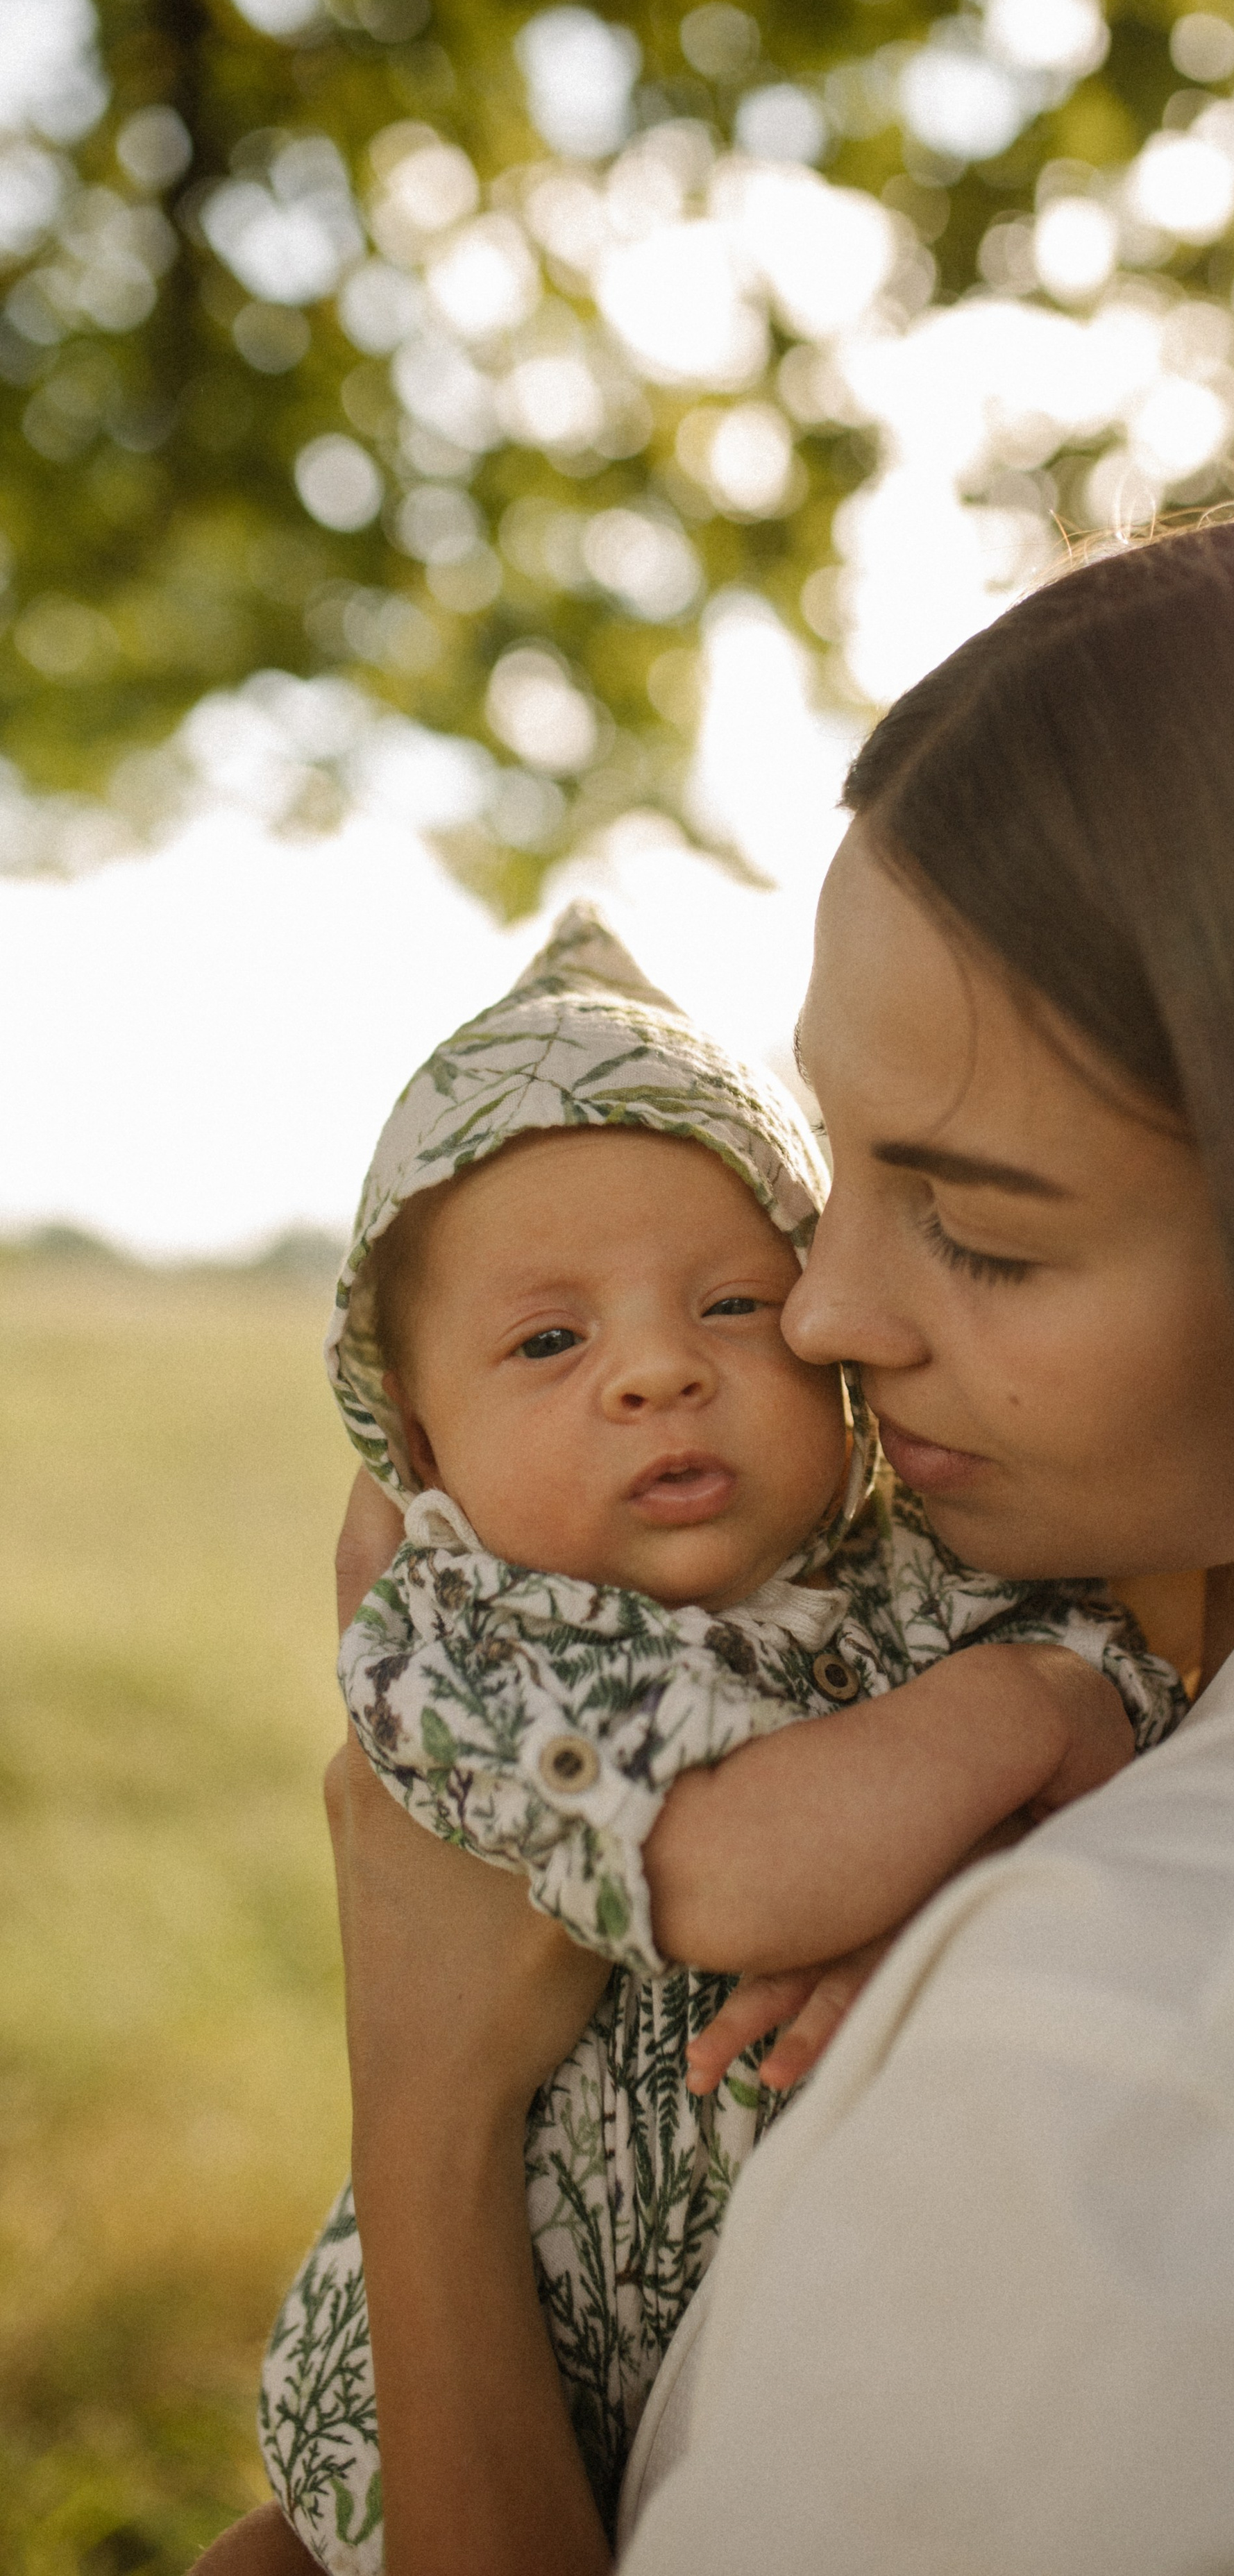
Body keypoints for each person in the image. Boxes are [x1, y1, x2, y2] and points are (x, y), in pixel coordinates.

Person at [202, 513, 1234, 2576]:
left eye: (984, 1229)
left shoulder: (1105, 2075)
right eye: (834, 1166)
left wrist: (421, 2109)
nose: (834, 1315)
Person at [248, 904, 1182, 2571]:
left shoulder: (929, 1567)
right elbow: (739, 1872)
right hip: (488, 2384)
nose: (657, 1374)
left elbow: (1140, 1710)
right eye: (551, 1340)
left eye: (733, 1306)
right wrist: (1023, 1708)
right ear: (417, 1434)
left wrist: (1026, 1726)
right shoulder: (466, 1638)